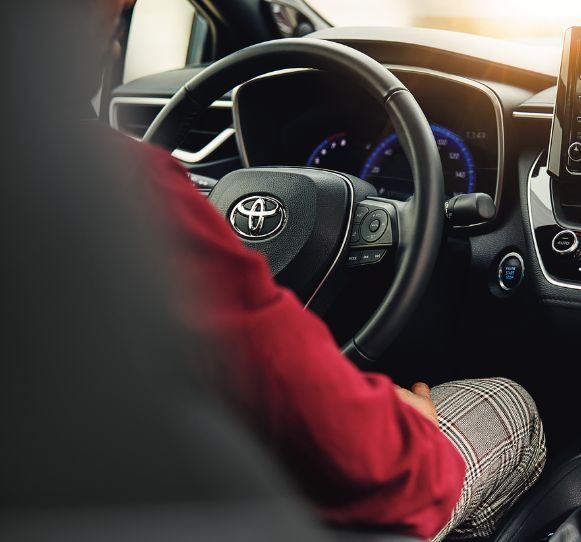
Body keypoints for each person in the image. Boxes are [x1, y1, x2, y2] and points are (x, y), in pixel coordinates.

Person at [88, 1, 546, 540]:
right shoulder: (129, 186)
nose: (122, 15)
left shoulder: (105, 181)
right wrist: (410, 430)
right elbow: (377, 466)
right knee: (509, 405)